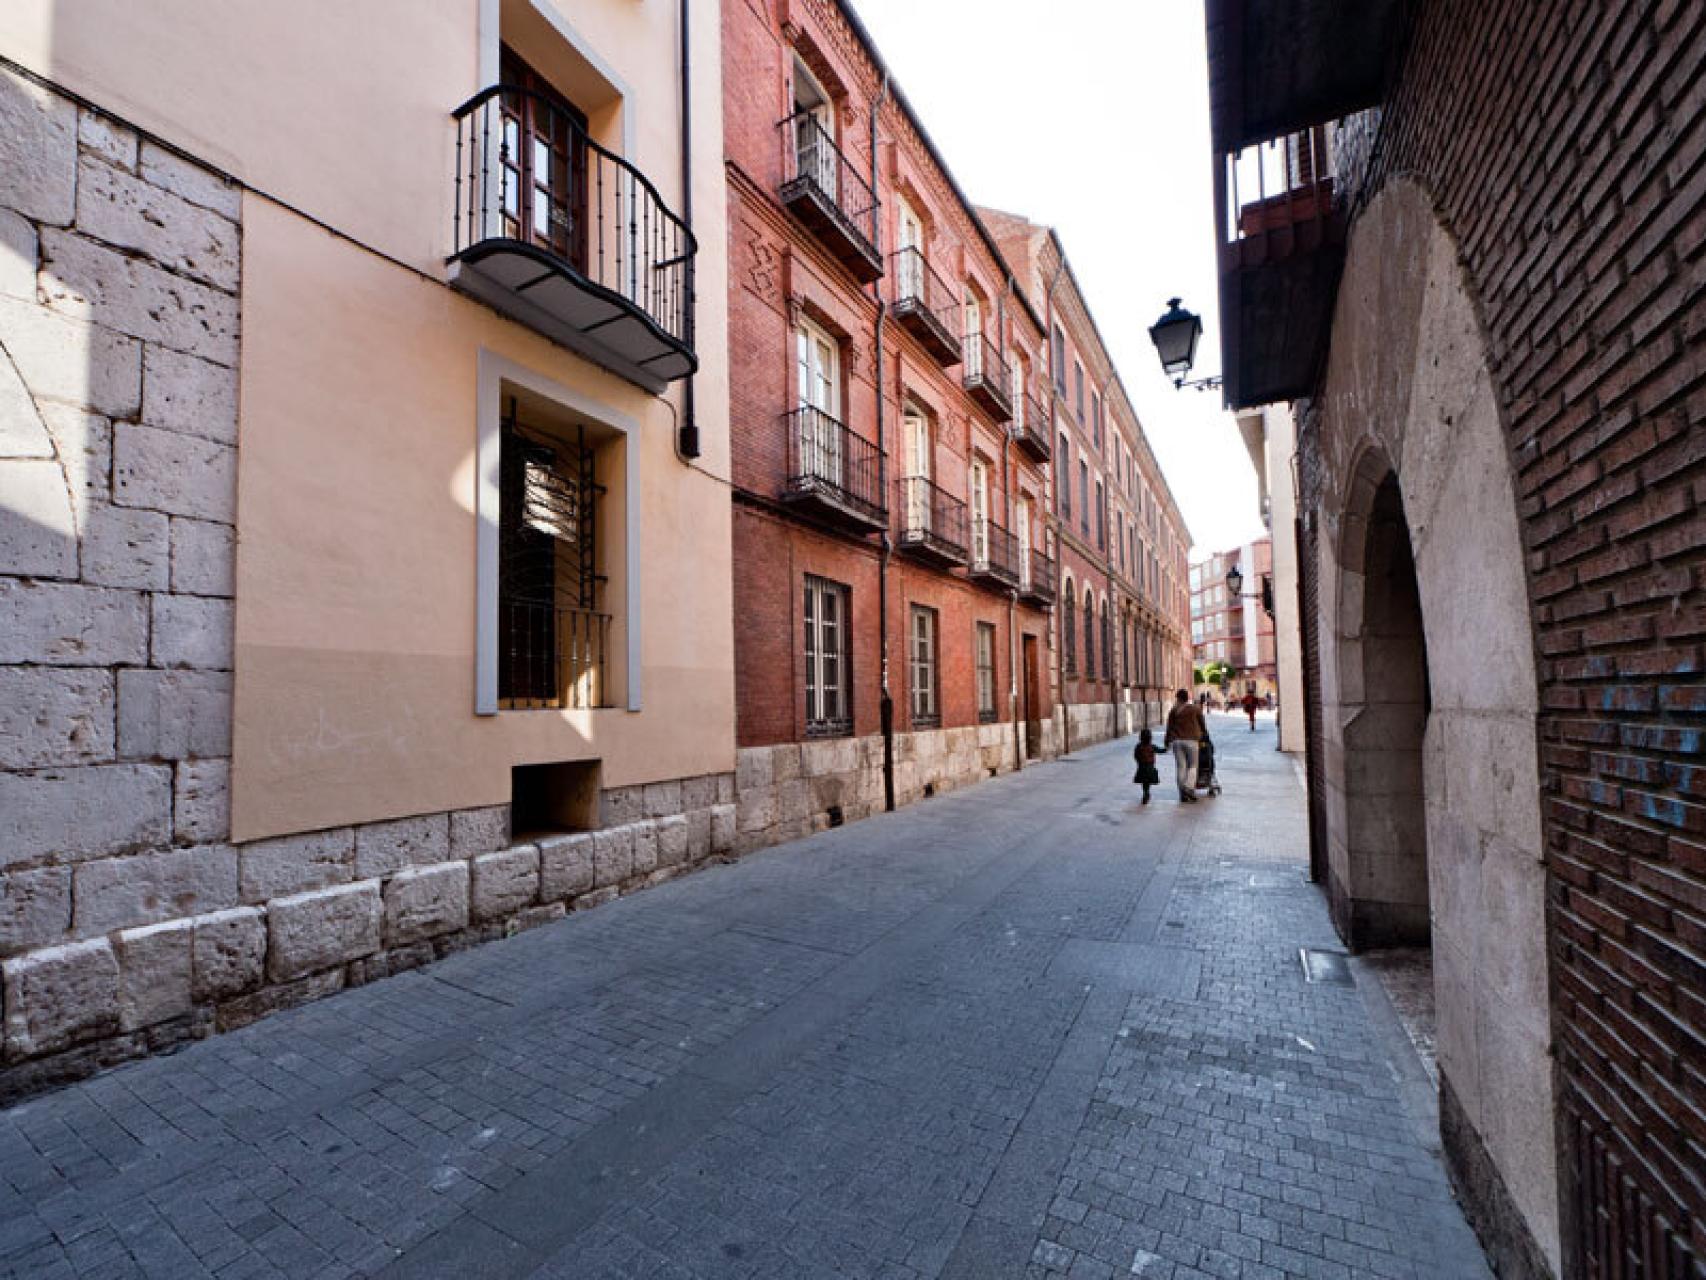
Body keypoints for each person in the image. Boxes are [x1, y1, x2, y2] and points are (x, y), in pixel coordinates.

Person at [1163, 689, 1204, 803]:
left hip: (1177, 742)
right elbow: (1202, 723)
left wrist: (1167, 741)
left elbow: (1169, 727)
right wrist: (1204, 734)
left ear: (1178, 698)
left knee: (1181, 767)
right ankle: (1188, 788)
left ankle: (1182, 794)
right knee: (1193, 766)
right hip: (1192, 741)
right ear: (1187, 698)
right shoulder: (1195, 709)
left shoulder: (1174, 710)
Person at [1132, 729, 1160, 805]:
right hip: (1150, 767)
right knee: (1148, 782)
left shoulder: (1138, 746)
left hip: (1141, 767)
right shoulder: (1152, 746)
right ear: (1150, 737)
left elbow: (1135, 755)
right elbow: (1160, 750)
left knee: (1144, 782)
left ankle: (1146, 793)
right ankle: (1147, 793)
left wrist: (1139, 762)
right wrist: (1168, 748)